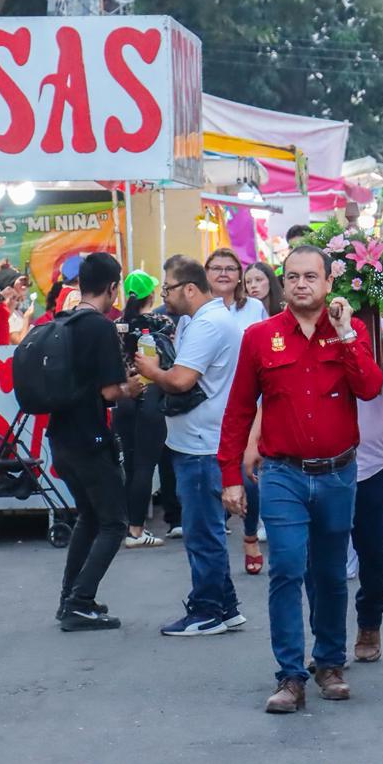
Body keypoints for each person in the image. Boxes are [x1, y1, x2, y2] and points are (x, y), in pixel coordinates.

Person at [217, 245, 382, 713]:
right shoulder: (260, 336)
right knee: (287, 568)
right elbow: (239, 410)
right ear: (282, 284)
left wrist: (349, 336)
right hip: (283, 474)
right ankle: (290, 675)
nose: (302, 284)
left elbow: (370, 387)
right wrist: (230, 474)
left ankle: (329, 664)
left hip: (337, 474)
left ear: (329, 282)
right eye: (292, 277)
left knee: (330, 573)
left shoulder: (350, 332)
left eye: (311, 276)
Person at [134, 256, 243, 636]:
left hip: (200, 443)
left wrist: (151, 371)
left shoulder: (208, 324)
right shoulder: (208, 321)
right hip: (203, 437)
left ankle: (207, 610)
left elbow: (180, 380)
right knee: (206, 528)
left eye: (169, 288)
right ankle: (225, 605)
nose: (166, 295)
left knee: (202, 532)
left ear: (190, 289)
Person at [310, 319, 383, 664]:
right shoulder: (307, 330)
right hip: (320, 465)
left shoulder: (381, 328)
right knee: (321, 561)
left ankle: (369, 621)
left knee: (372, 556)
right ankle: (326, 641)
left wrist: (381, 338)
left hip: (371, 466)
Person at [47, 253, 141, 631]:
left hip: (61, 436)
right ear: (113, 286)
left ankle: (70, 597)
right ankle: (80, 601)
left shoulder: (63, 321)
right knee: (115, 522)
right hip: (90, 436)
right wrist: (131, 387)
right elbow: (108, 391)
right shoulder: (100, 328)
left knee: (89, 515)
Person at [203, 248, 268, 574]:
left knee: (250, 476)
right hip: (208, 406)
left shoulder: (253, 308)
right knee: (212, 478)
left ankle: (250, 535)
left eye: (231, 268)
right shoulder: (198, 311)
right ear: (206, 273)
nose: (224, 274)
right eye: (217, 268)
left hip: (247, 404)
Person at [113, 270, 178, 548]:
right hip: (151, 395)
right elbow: (171, 356)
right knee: (145, 465)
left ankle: (129, 524)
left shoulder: (115, 325)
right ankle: (137, 531)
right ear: (151, 295)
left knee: (129, 463)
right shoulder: (161, 322)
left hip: (124, 398)